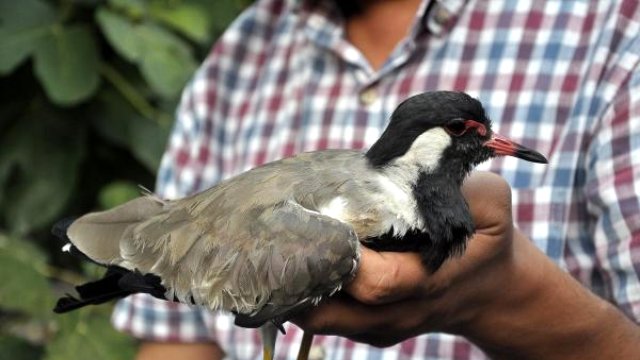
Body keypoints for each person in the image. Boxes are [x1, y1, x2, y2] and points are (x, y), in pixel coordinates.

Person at [112, 0, 640, 358]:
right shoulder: (243, 49)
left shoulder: (615, 32)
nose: (497, 144)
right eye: (466, 132)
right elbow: (179, 339)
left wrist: (503, 297)